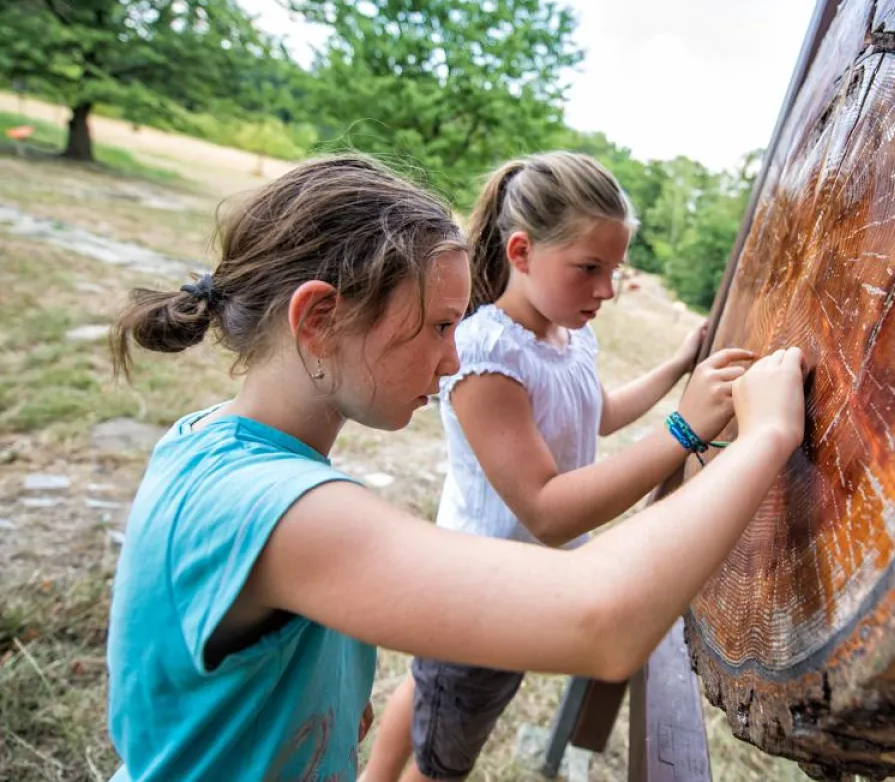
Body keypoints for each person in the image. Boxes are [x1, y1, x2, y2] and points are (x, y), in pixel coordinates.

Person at [104, 153, 805, 781]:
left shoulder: (205, 441)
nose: (452, 360)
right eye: (441, 327)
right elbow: (603, 622)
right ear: (319, 319)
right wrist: (765, 436)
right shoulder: (279, 509)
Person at [364, 151, 756, 782]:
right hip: (481, 585)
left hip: (518, 582)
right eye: (588, 269)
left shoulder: (568, 335)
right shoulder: (487, 353)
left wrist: (679, 367)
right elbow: (546, 509)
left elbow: (597, 413)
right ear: (521, 253)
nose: (605, 290)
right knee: (450, 739)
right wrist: (685, 428)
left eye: (614, 270)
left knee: (433, 684)